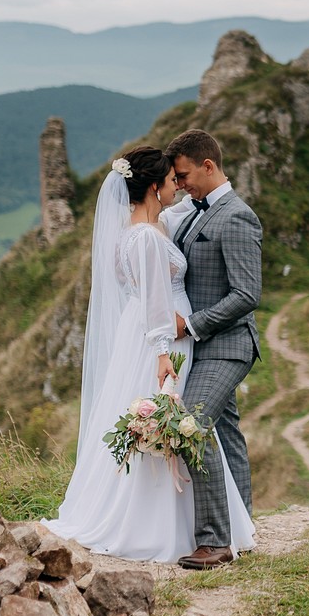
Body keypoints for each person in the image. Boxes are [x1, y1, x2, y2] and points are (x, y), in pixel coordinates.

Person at [44, 146, 254, 562]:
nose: (179, 186)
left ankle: (224, 524)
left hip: (147, 336)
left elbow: (177, 222)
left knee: (209, 427)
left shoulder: (137, 229)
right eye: (172, 180)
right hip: (165, 341)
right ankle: (170, 528)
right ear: (155, 187)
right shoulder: (146, 238)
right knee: (182, 425)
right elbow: (157, 300)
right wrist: (164, 353)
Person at [164, 129, 264, 570]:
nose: (180, 183)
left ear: (208, 165)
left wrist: (191, 324)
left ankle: (215, 541)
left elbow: (247, 294)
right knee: (226, 433)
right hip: (202, 348)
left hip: (227, 344)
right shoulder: (195, 212)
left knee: (193, 422)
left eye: (184, 175)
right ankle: (241, 528)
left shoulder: (237, 216)